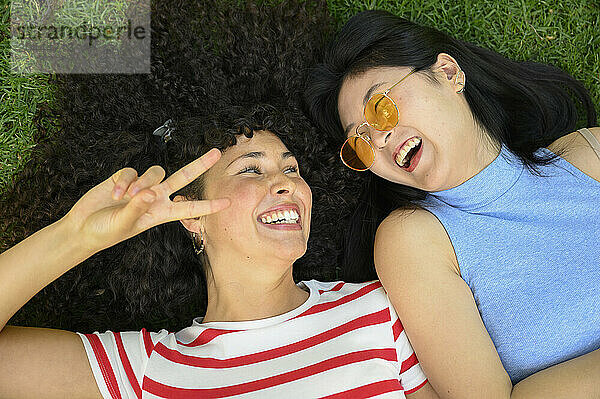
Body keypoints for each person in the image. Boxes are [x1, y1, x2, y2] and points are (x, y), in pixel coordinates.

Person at [304, 9, 600, 398]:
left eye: (380, 106)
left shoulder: (589, 154)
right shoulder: (414, 239)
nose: (376, 140)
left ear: (447, 73)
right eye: (358, 141)